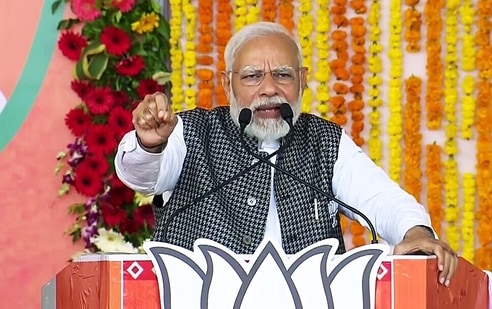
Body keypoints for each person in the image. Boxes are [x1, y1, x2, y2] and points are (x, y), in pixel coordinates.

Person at [114, 21, 458, 286]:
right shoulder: (191, 130)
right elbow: (142, 176)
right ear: (227, 83)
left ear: (303, 81)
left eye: (282, 74)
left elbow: (382, 200)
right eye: (251, 76)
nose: (269, 89)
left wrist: (416, 233)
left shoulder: (325, 140)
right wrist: (150, 144)